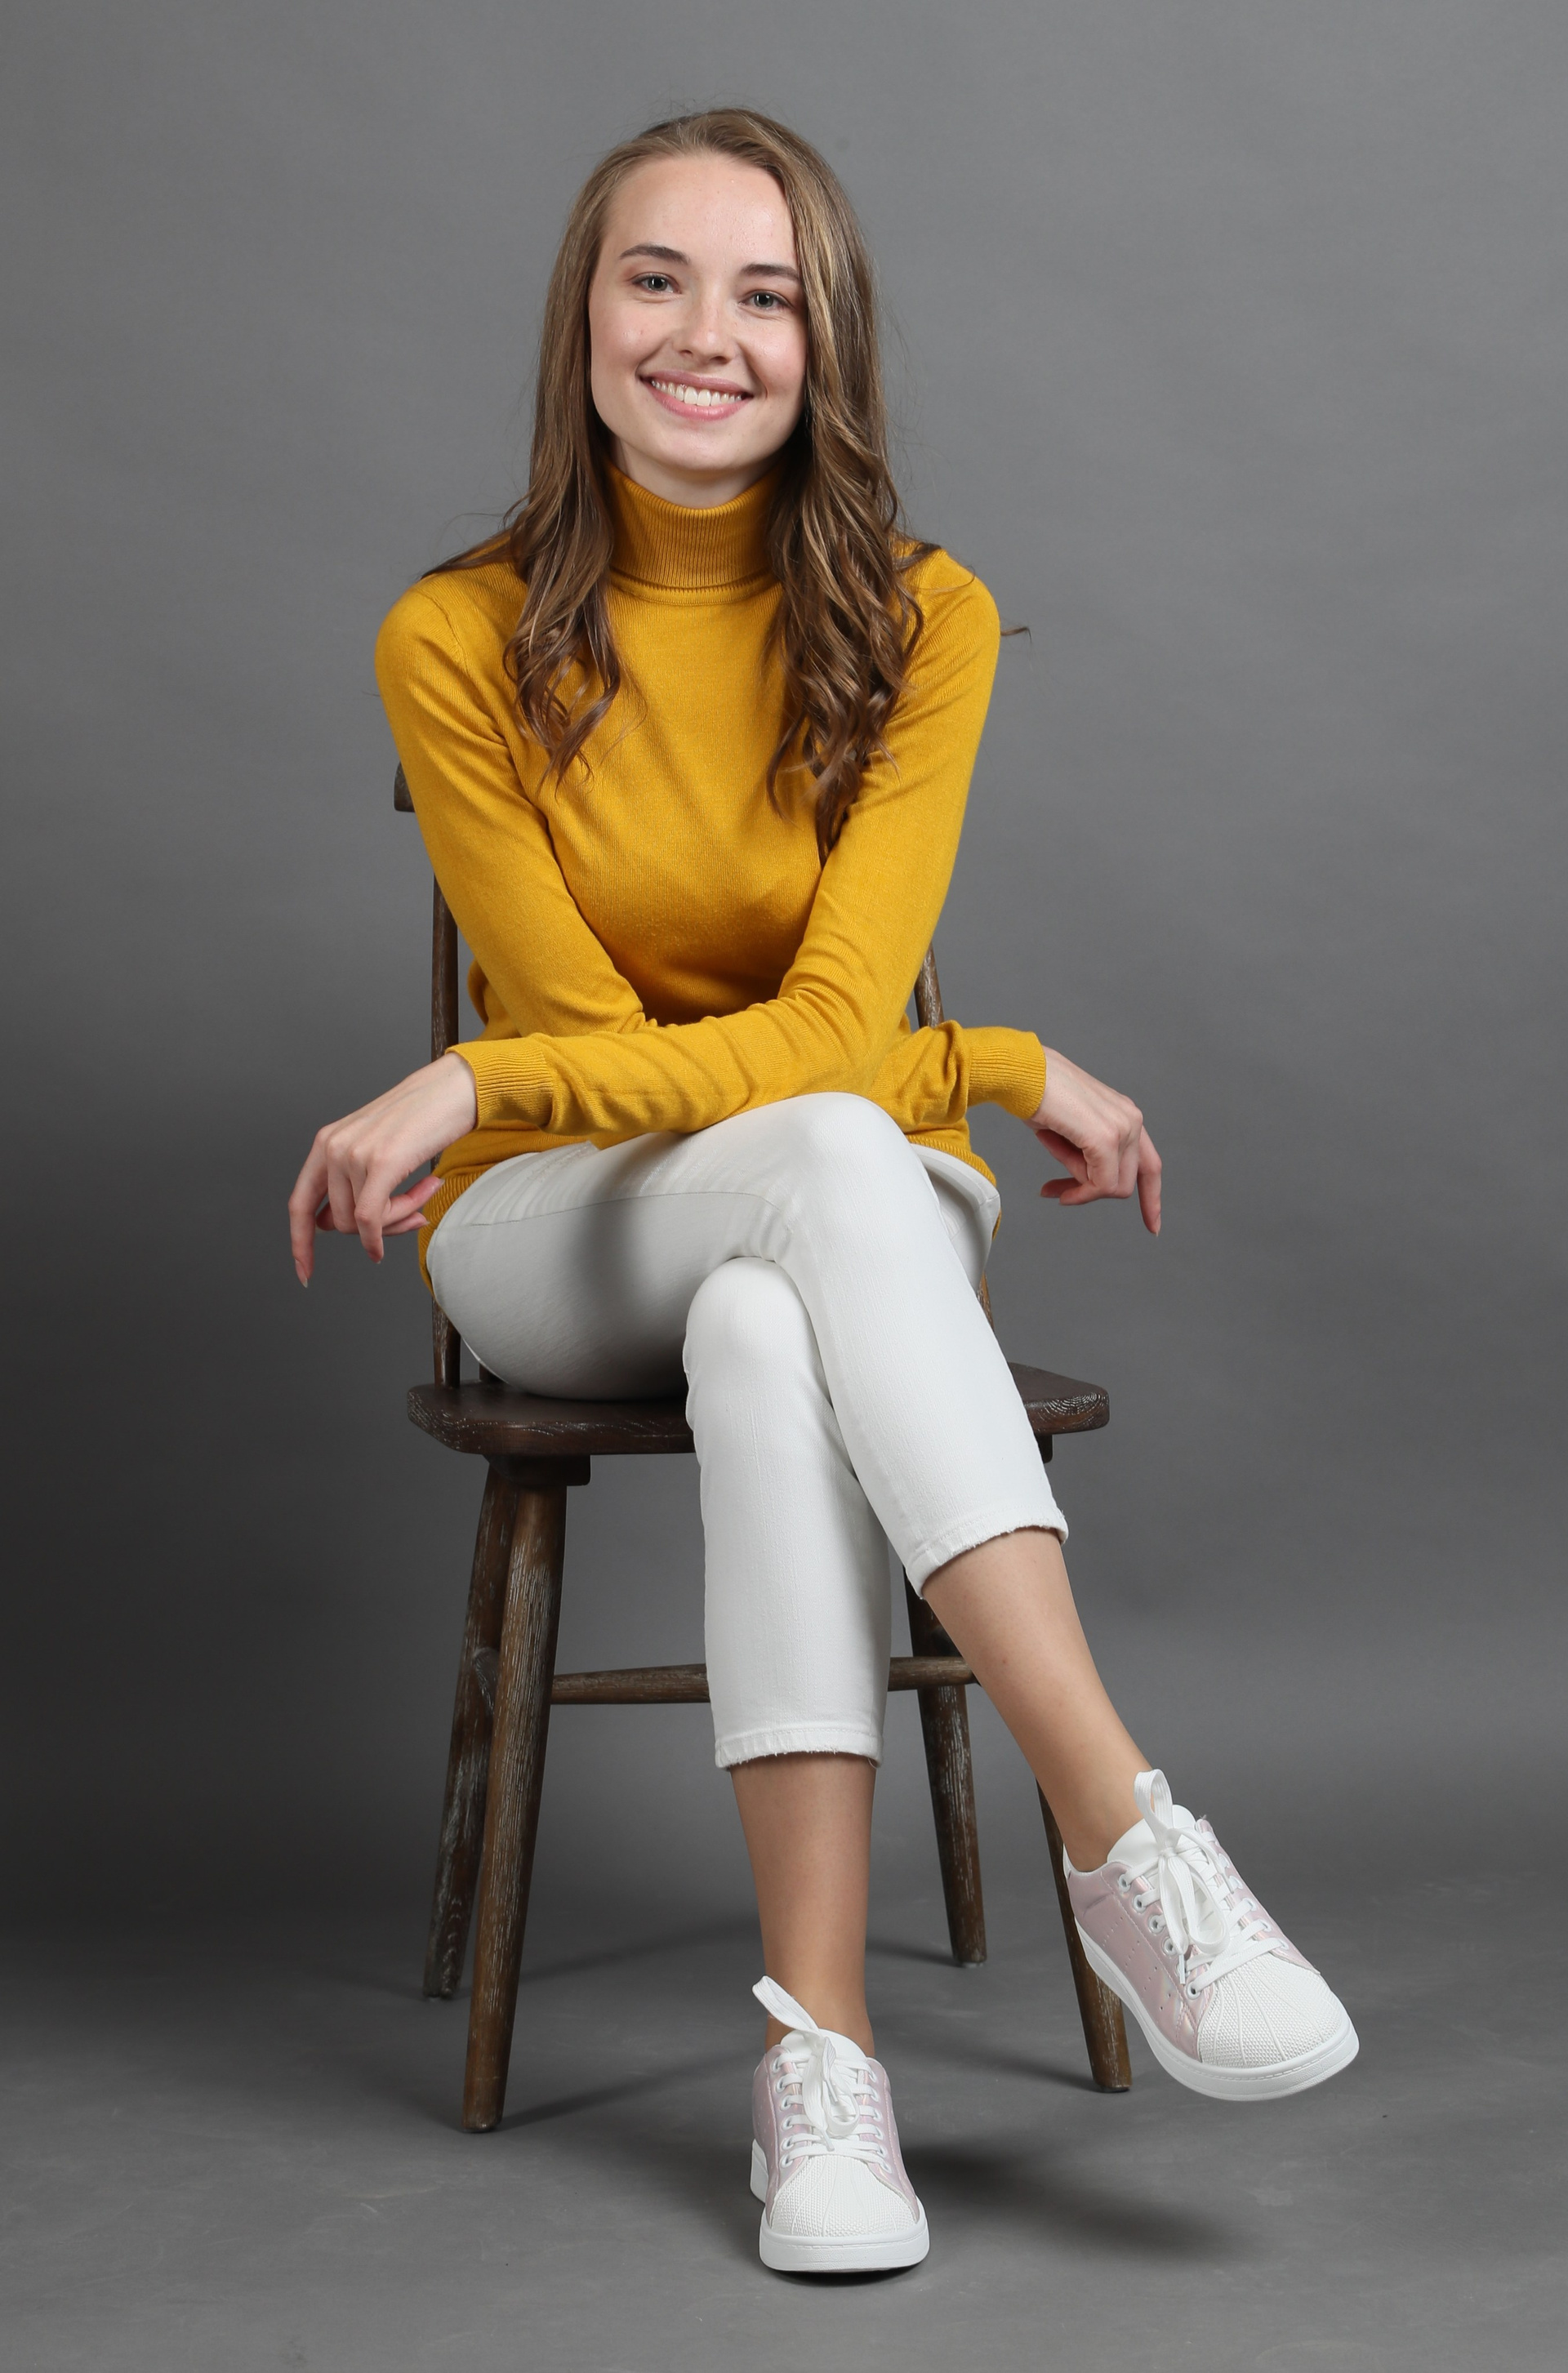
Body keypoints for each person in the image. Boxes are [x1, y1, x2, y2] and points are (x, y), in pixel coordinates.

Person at [288, 108, 1356, 2277]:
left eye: (765, 293)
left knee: (784, 1292)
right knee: (822, 1160)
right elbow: (620, 1073)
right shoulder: (455, 636)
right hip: (565, 1221)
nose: (707, 333)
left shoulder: (922, 621)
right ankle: (1120, 1827)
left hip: (827, 1195)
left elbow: (831, 1030)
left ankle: (823, 2067)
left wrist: (483, 1065)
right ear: (583, 319)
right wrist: (979, 1070)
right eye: (657, 278)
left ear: (826, 342)